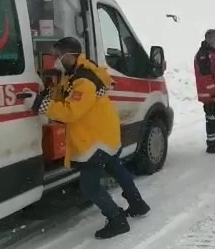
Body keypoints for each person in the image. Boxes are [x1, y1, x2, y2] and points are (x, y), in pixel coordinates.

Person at [32, 37, 150, 239]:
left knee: (90, 187)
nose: (56, 59)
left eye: (59, 55)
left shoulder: (84, 80)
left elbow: (71, 112)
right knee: (116, 168)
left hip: (94, 140)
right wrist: (47, 94)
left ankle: (116, 220)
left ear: (70, 55)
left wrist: (40, 105)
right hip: (103, 133)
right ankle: (137, 203)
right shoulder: (77, 73)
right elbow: (65, 93)